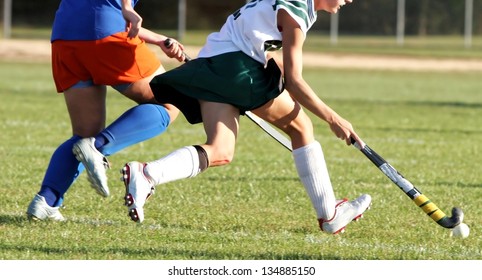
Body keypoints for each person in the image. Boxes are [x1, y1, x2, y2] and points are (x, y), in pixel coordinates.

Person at [121, 0, 372, 234]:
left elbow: (262, 44)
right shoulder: (296, 10)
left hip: (212, 67)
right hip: (237, 70)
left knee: (220, 151)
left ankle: (148, 174)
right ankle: (329, 215)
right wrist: (333, 118)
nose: (348, 0)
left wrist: (276, 75)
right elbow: (295, 81)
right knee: (301, 128)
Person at [26, 0, 187, 221]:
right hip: (106, 33)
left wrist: (157, 39)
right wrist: (128, 8)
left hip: (65, 36)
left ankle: (46, 201)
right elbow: (113, 11)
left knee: (84, 134)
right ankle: (98, 147)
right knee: (170, 103)